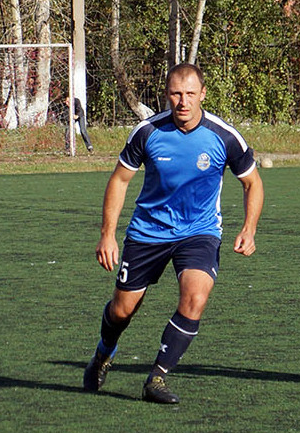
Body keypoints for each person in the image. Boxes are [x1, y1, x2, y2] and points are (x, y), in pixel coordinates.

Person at [83, 63, 263, 405]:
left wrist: (249, 228)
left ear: (203, 95)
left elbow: (252, 183)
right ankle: (104, 353)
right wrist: (108, 234)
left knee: (196, 298)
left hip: (199, 231)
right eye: (176, 94)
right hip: (148, 232)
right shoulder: (148, 132)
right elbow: (120, 180)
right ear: (167, 95)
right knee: (122, 310)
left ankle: (157, 378)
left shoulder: (224, 136)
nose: (183, 102)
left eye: (190, 94)